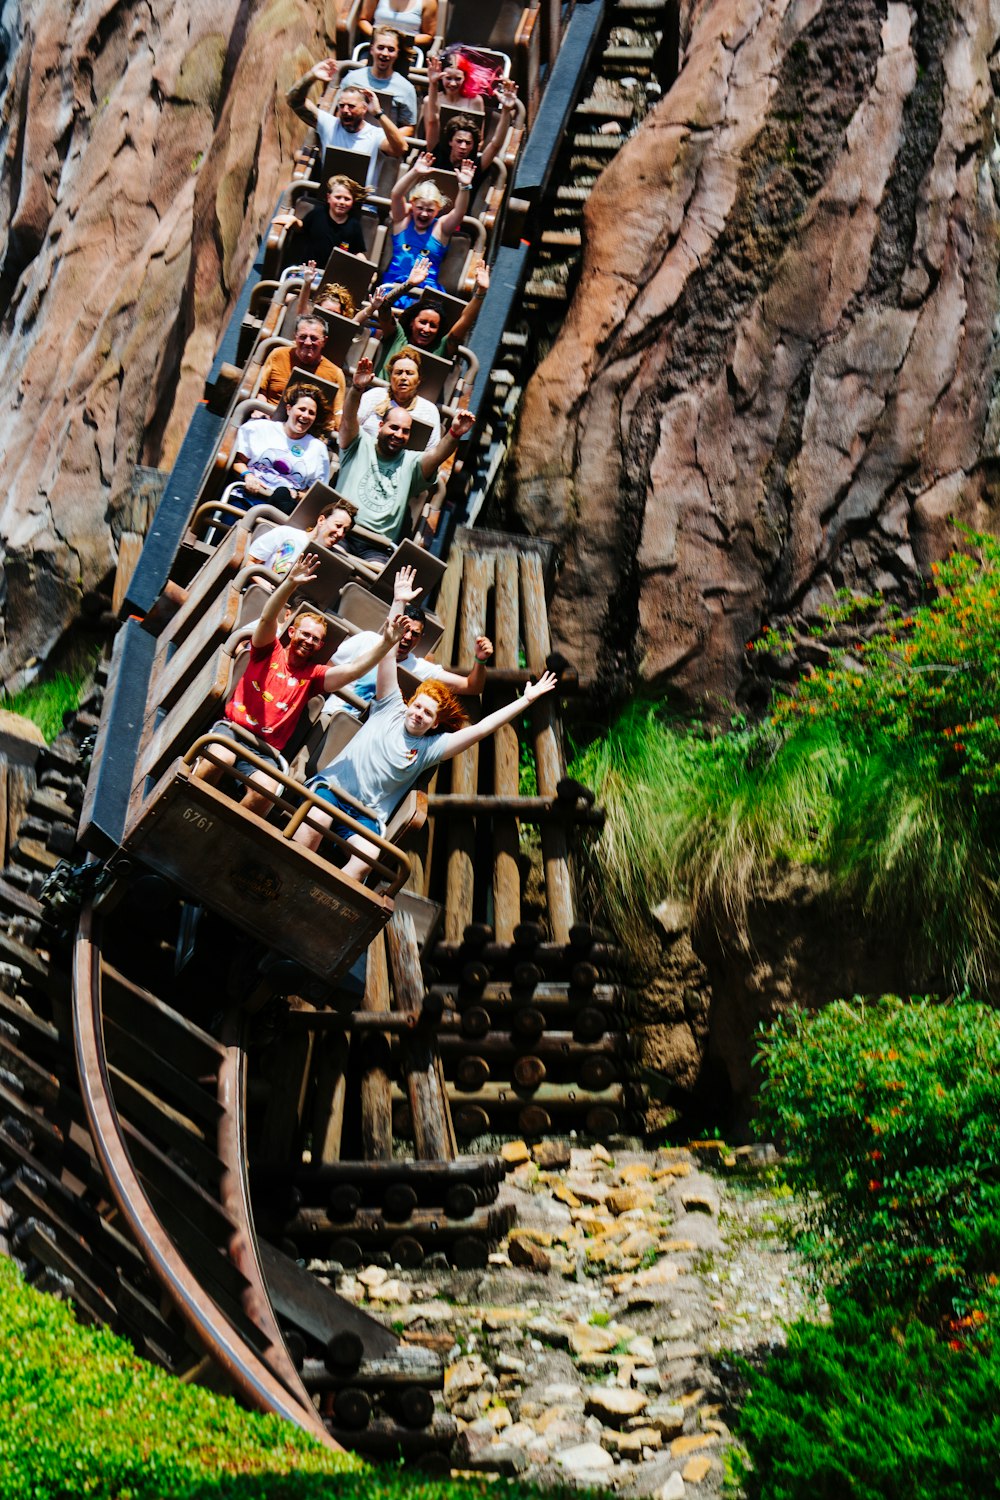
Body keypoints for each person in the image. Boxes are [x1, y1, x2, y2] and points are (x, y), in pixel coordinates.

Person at [294, 573, 558, 880]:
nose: (419, 714)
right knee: (317, 818)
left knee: (368, 857)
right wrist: (399, 600)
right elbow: (388, 648)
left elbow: (483, 728)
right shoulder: (389, 707)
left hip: (366, 817)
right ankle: (293, 875)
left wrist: (526, 701)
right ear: (409, 702)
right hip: (333, 792)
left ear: (435, 723)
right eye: (418, 706)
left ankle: (319, 903)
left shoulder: (431, 748)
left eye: (427, 714)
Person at [192, 552, 405, 815]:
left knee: (266, 791)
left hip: (264, 752)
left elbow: (353, 671)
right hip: (234, 730)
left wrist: (387, 642)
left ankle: (218, 831)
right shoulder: (267, 650)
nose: (309, 641)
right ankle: (185, 807)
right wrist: (290, 583)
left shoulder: (313, 675)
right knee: (219, 759)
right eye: (305, 634)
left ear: (320, 646)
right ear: (292, 632)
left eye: (315, 639)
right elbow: (268, 618)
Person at [336, 356, 474, 557]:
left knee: (372, 578)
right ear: (381, 426)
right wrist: (357, 389)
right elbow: (348, 420)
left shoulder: (410, 462)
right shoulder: (359, 444)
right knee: (331, 557)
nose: (398, 434)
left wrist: (454, 434)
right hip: (342, 532)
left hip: (377, 546)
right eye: (394, 427)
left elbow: (435, 456)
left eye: (405, 431)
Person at [325, 607, 493, 712]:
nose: (407, 637)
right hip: (336, 712)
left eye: (414, 634)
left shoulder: (422, 669)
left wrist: (480, 660)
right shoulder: (367, 640)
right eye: (405, 630)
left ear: (420, 639)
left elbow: (472, 687)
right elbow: (326, 671)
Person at [380, 153, 475, 308]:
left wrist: (464, 186)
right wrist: (415, 172)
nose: (424, 214)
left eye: (430, 210)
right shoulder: (403, 220)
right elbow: (396, 195)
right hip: (394, 285)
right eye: (420, 208)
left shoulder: (441, 228)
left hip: (424, 290)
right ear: (412, 205)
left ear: (437, 210)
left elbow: (459, 212)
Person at [230, 382, 331, 516]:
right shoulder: (260, 428)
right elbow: (237, 461)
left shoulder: (318, 449)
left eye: (311, 413)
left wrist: (296, 495)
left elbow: (313, 493)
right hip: (248, 497)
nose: (305, 415)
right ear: (289, 409)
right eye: (302, 409)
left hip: (281, 510)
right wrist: (247, 476)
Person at [285, 75, 406, 187]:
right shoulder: (330, 125)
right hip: (330, 201)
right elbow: (295, 101)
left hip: (364, 206)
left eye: (351, 106)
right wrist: (312, 76)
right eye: (342, 105)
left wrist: (379, 113)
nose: (345, 110)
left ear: (364, 108)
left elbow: (401, 148)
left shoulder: (375, 135)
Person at [374, 260, 489, 372]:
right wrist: (409, 284)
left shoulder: (440, 350)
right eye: (423, 322)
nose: (426, 329)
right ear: (411, 323)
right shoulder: (396, 337)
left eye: (433, 326)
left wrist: (481, 292)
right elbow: (384, 307)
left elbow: (465, 321)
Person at [425, 73, 518, 195]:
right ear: (450, 141)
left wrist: (506, 110)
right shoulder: (436, 154)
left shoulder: (475, 165)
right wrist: (433, 84)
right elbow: (433, 121)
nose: (463, 146)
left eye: (468, 143)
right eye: (459, 141)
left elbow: (496, 145)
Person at [258, 315, 346, 431]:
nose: (308, 342)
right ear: (295, 336)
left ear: (324, 341)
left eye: (314, 338)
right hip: (269, 422)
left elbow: (337, 414)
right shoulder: (278, 355)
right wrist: (260, 411)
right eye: (303, 337)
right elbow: (261, 391)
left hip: (308, 433)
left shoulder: (335, 374)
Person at [357, 347, 440, 449]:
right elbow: (350, 427)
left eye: (409, 373)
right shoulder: (374, 396)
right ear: (390, 377)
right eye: (398, 372)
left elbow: (432, 451)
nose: (403, 377)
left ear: (419, 379)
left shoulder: (429, 411)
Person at [276, 175, 368, 266]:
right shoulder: (318, 214)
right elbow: (302, 227)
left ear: (352, 202)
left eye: (347, 199)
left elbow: (357, 252)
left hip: (333, 274)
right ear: (329, 198)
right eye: (338, 197)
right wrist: (294, 221)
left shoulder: (354, 225)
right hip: (307, 268)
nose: (342, 202)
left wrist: (365, 266)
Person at [339, 27, 417, 133]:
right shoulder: (352, 79)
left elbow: (409, 127)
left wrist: (386, 141)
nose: (385, 54)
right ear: (371, 49)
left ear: (397, 53)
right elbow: (337, 112)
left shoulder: (406, 88)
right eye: (380, 47)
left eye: (391, 49)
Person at [248, 502, 358, 577]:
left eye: (345, 531)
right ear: (321, 520)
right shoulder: (286, 533)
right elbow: (249, 561)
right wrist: (263, 582)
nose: (340, 534)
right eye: (338, 526)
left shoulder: (332, 562)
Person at [358, 0, 437, 49]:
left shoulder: (428, 2)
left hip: (407, 51)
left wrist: (399, 40)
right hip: (376, 46)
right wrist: (381, 37)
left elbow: (428, 36)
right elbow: (363, 20)